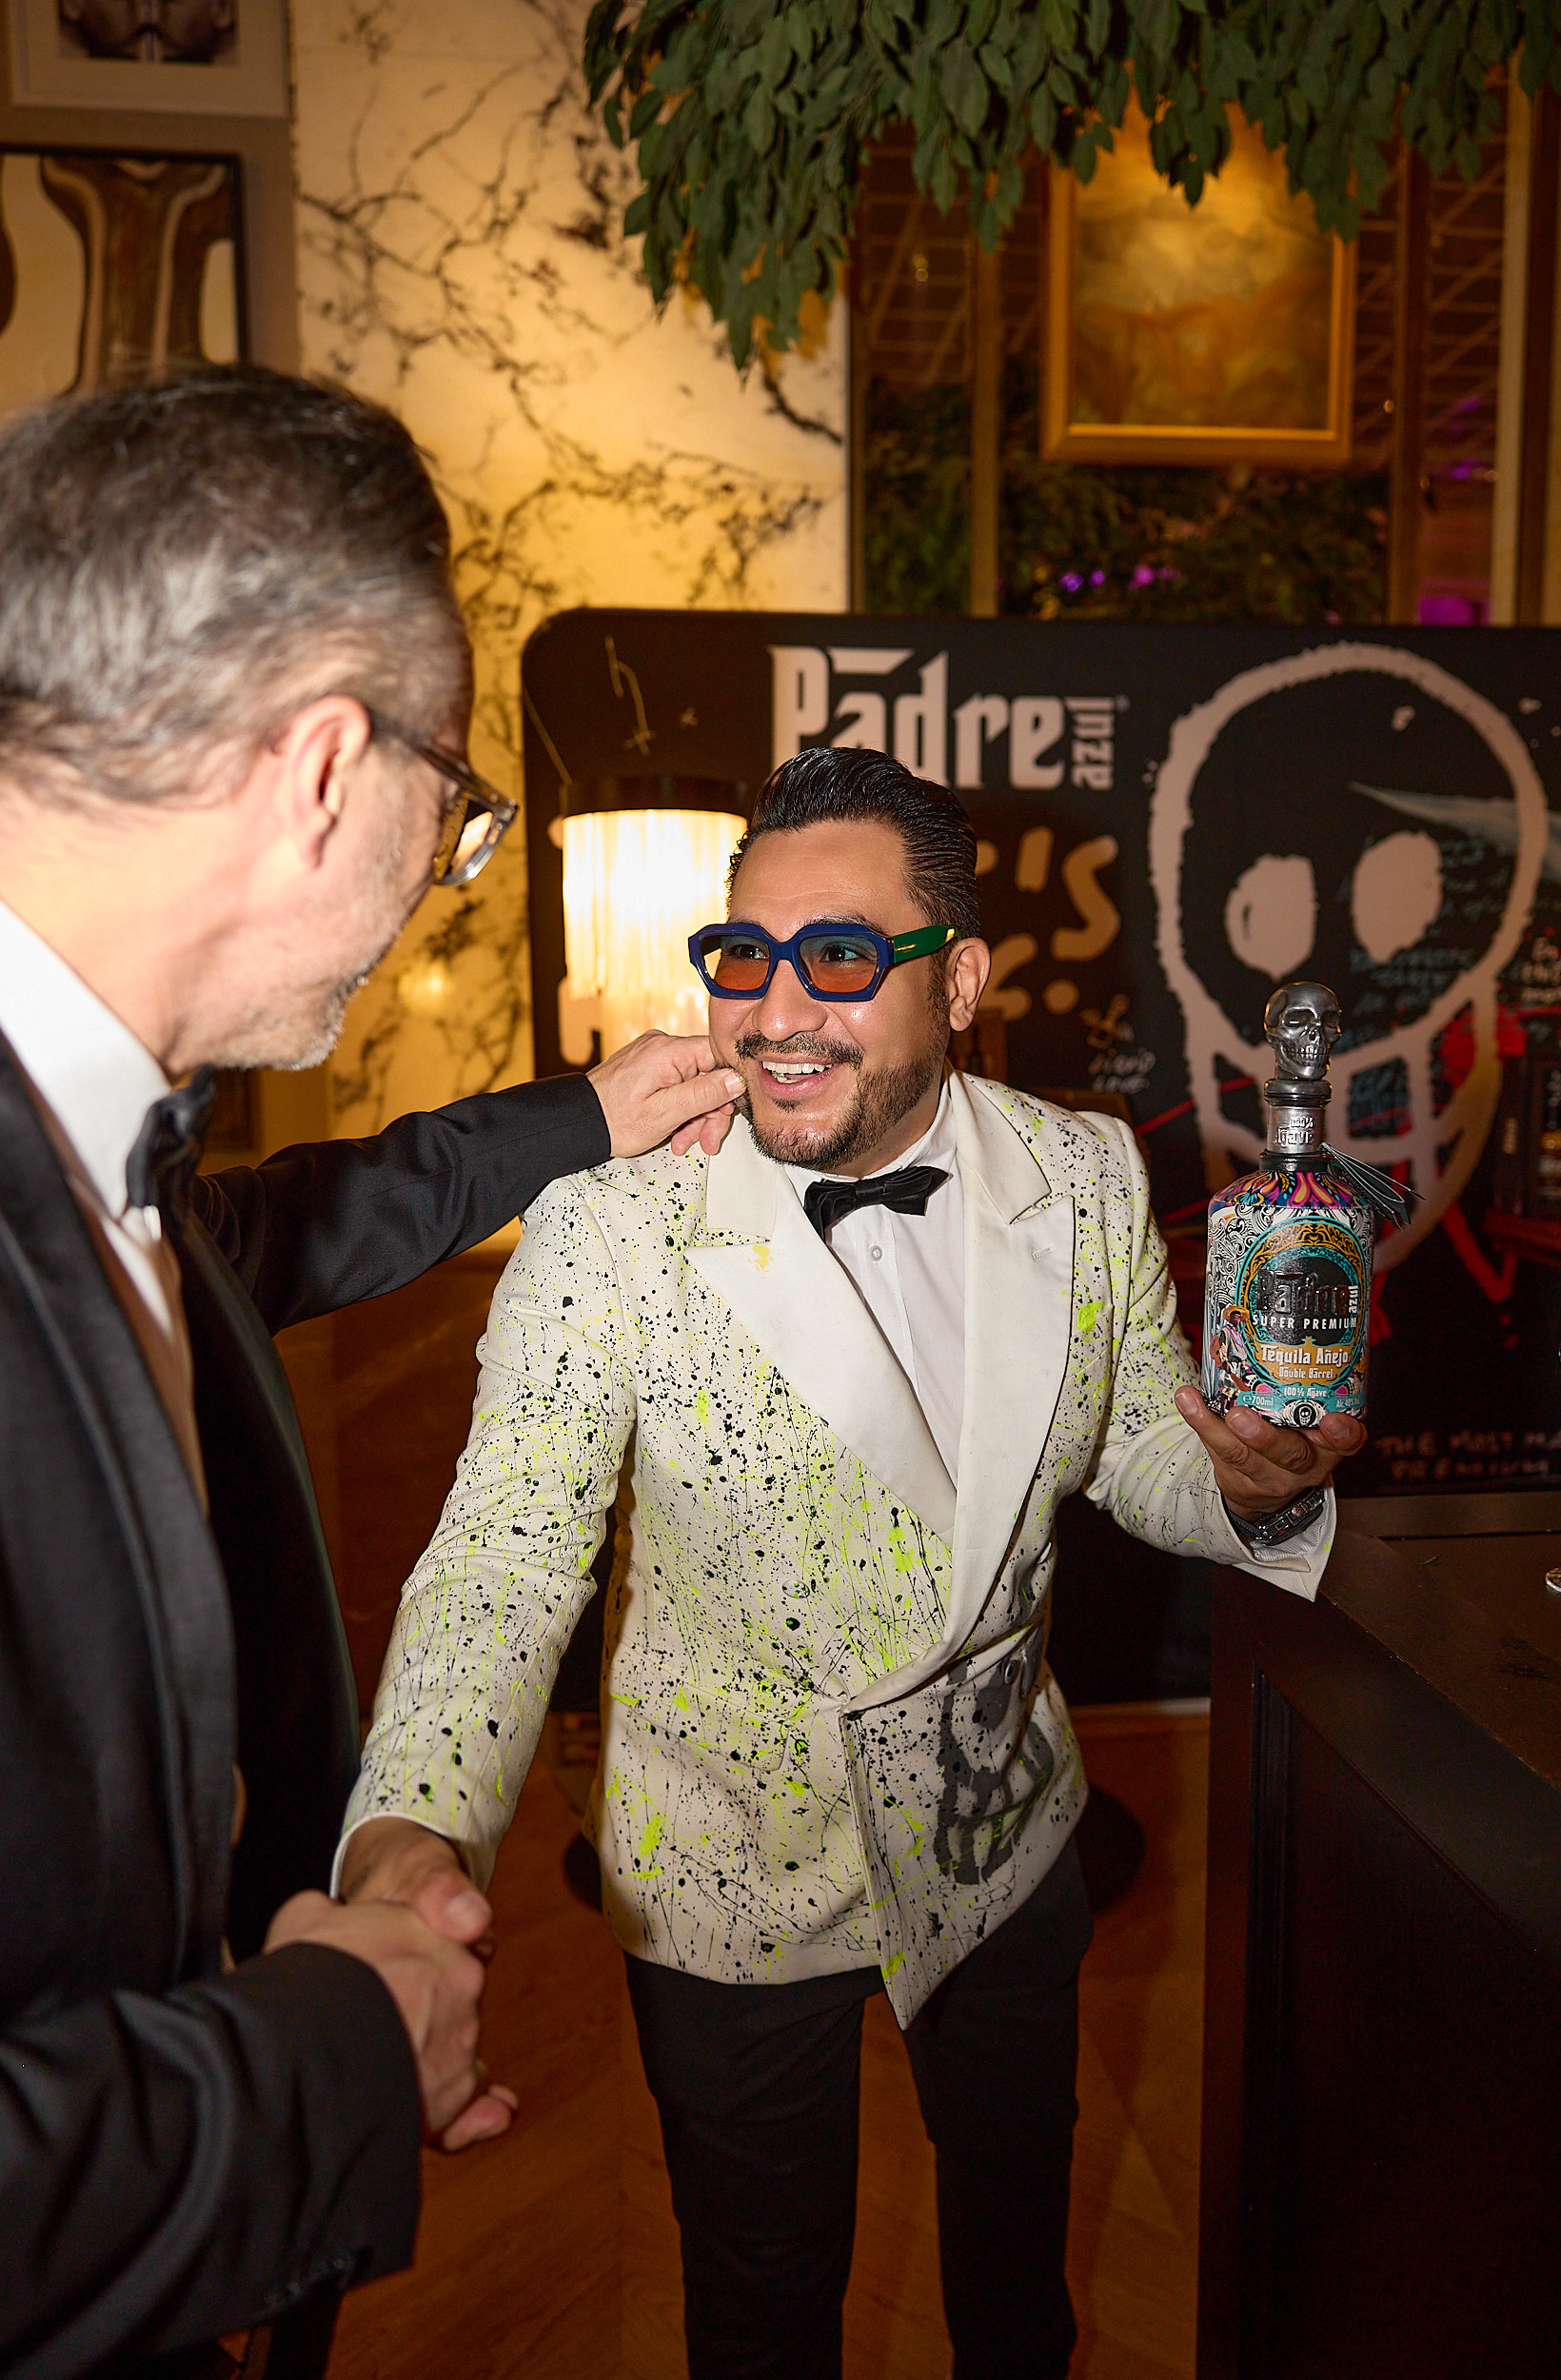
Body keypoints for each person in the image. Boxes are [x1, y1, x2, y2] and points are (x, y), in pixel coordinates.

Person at [341, 746, 1355, 2378]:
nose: (775, 1009)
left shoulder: (1086, 1173)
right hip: (727, 1871)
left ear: (957, 982)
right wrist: (410, 1828)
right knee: (762, 2315)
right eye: (743, 955)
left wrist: (1254, 1489)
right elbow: (505, 1558)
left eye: (838, 955)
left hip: (1002, 1832)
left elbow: (1132, 1446)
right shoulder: (611, 1223)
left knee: (1018, 2287)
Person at [0, 366, 742, 2378]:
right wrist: (325, 2043)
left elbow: (261, 1239)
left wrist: (580, 1116)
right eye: (460, 807)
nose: (447, 862)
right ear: (329, 762)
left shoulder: (95, 1150)